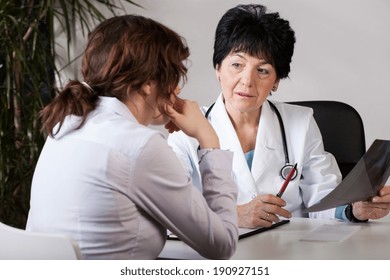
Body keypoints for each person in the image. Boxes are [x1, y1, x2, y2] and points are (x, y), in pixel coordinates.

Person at [26, 14, 238, 260]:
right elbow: (221, 244)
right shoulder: (140, 145)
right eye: (173, 75)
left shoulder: (66, 124)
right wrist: (208, 138)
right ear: (149, 84)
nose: (177, 89)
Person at [167, 4, 390, 228]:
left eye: (262, 70)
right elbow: (166, 204)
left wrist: (354, 209)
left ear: (276, 81)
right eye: (237, 65)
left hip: (289, 249)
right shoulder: (186, 129)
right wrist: (234, 214)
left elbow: (323, 200)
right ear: (218, 68)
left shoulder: (300, 124)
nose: (247, 80)